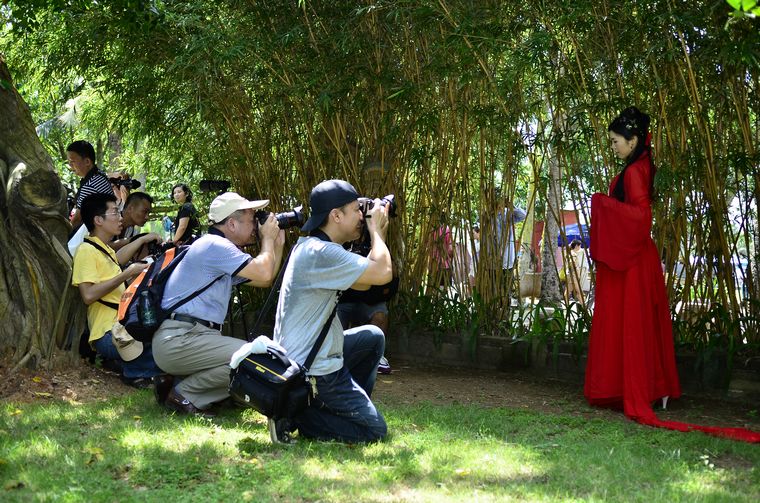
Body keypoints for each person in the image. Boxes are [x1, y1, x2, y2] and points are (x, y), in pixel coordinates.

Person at [585, 106, 760, 443]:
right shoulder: (639, 166)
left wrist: (600, 202)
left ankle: (644, 389)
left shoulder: (635, 171)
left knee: (634, 324)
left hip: (633, 260)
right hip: (635, 258)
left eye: (616, 141)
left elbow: (641, 218)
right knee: (638, 325)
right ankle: (653, 387)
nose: (613, 146)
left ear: (633, 140)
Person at [273, 179, 391, 444]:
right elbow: (383, 273)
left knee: (372, 338)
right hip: (312, 368)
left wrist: (374, 232)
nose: (362, 217)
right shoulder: (321, 253)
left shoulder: (312, 246)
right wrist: (377, 232)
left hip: (305, 354)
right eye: (356, 210)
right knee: (374, 432)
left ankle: (340, 408)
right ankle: (300, 415)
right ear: (336, 216)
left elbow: (365, 282)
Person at [152, 192, 284, 417]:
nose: (256, 225)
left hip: (189, 338)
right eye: (251, 219)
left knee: (251, 359)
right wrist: (268, 240)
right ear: (231, 224)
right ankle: (184, 394)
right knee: (255, 358)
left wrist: (276, 243)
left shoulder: (216, 248)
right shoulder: (215, 246)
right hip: (180, 339)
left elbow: (265, 279)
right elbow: (263, 271)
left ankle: (175, 383)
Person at [71, 193, 163, 388]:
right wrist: (127, 273)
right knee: (164, 349)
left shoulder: (103, 250)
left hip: (122, 326)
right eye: (114, 213)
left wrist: (141, 242)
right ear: (98, 220)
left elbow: (118, 258)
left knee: (165, 338)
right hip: (108, 332)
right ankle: (134, 370)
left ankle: (136, 368)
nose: (120, 218)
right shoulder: (86, 251)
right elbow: (88, 295)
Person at [66, 140, 113, 232]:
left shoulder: (91, 185)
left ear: (87, 161)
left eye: (72, 161)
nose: (70, 165)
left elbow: (77, 220)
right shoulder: (99, 175)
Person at [110, 192, 156, 259]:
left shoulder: (133, 231)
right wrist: (136, 240)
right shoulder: (110, 220)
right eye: (144, 211)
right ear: (130, 208)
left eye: (148, 213)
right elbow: (102, 246)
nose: (147, 217)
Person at [564, 239, 587, 304]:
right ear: (576, 246)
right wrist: (576, 270)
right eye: (580, 246)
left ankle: (567, 304)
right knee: (579, 291)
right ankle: (583, 305)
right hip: (573, 276)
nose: (580, 247)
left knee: (568, 292)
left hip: (571, 275)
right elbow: (572, 263)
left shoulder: (570, 253)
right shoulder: (573, 254)